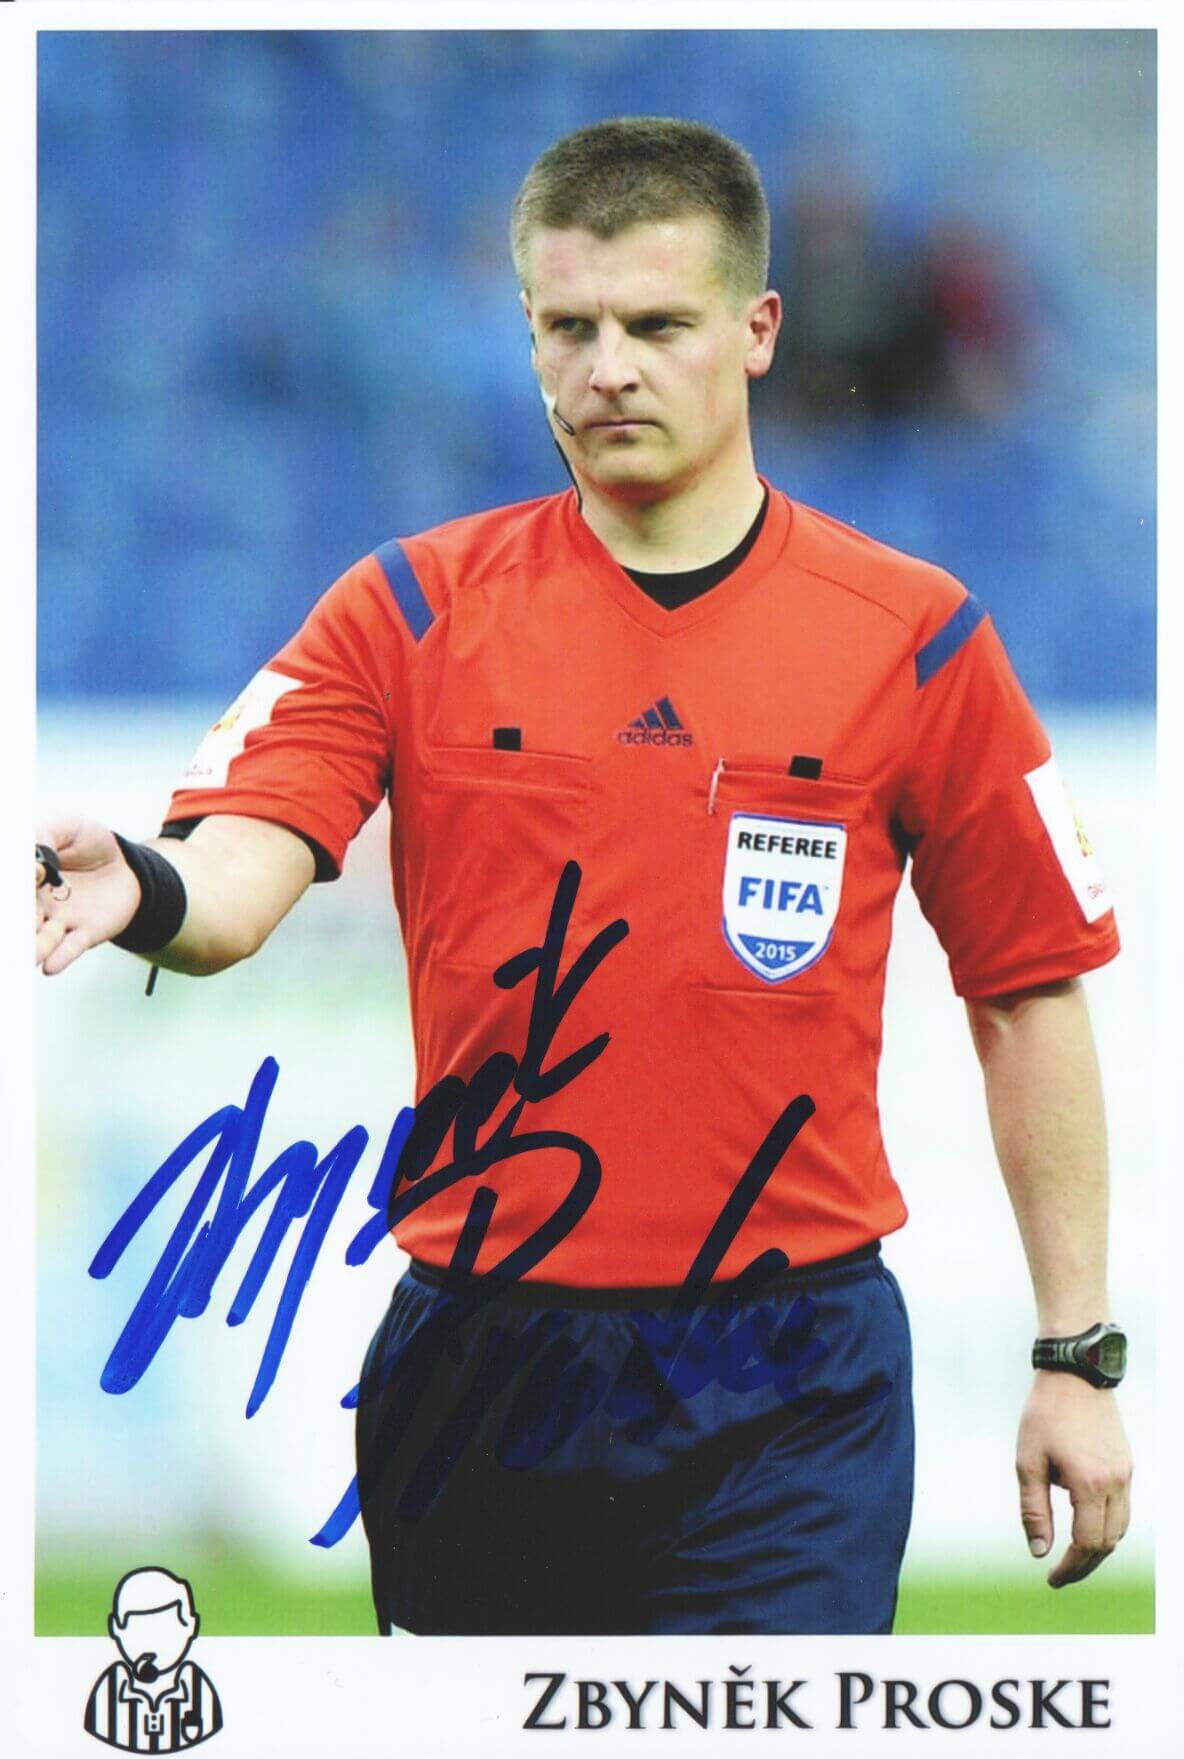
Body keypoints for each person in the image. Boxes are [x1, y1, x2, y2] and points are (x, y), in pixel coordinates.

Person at [36, 116, 1132, 1636]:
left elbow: (1028, 993)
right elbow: (240, 872)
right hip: (484, 1364)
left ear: (757, 331)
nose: (606, 367)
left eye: (656, 325)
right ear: (531, 333)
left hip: (790, 1377)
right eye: (570, 327)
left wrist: (1075, 1353)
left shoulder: (916, 637)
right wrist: (147, 891)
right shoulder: (406, 608)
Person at [83, 1567, 222, 1751]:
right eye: (138, 1628)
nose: (151, 1641)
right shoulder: (109, 1692)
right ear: (115, 1628)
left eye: (165, 1628)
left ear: (191, 1625)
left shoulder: (198, 1690)